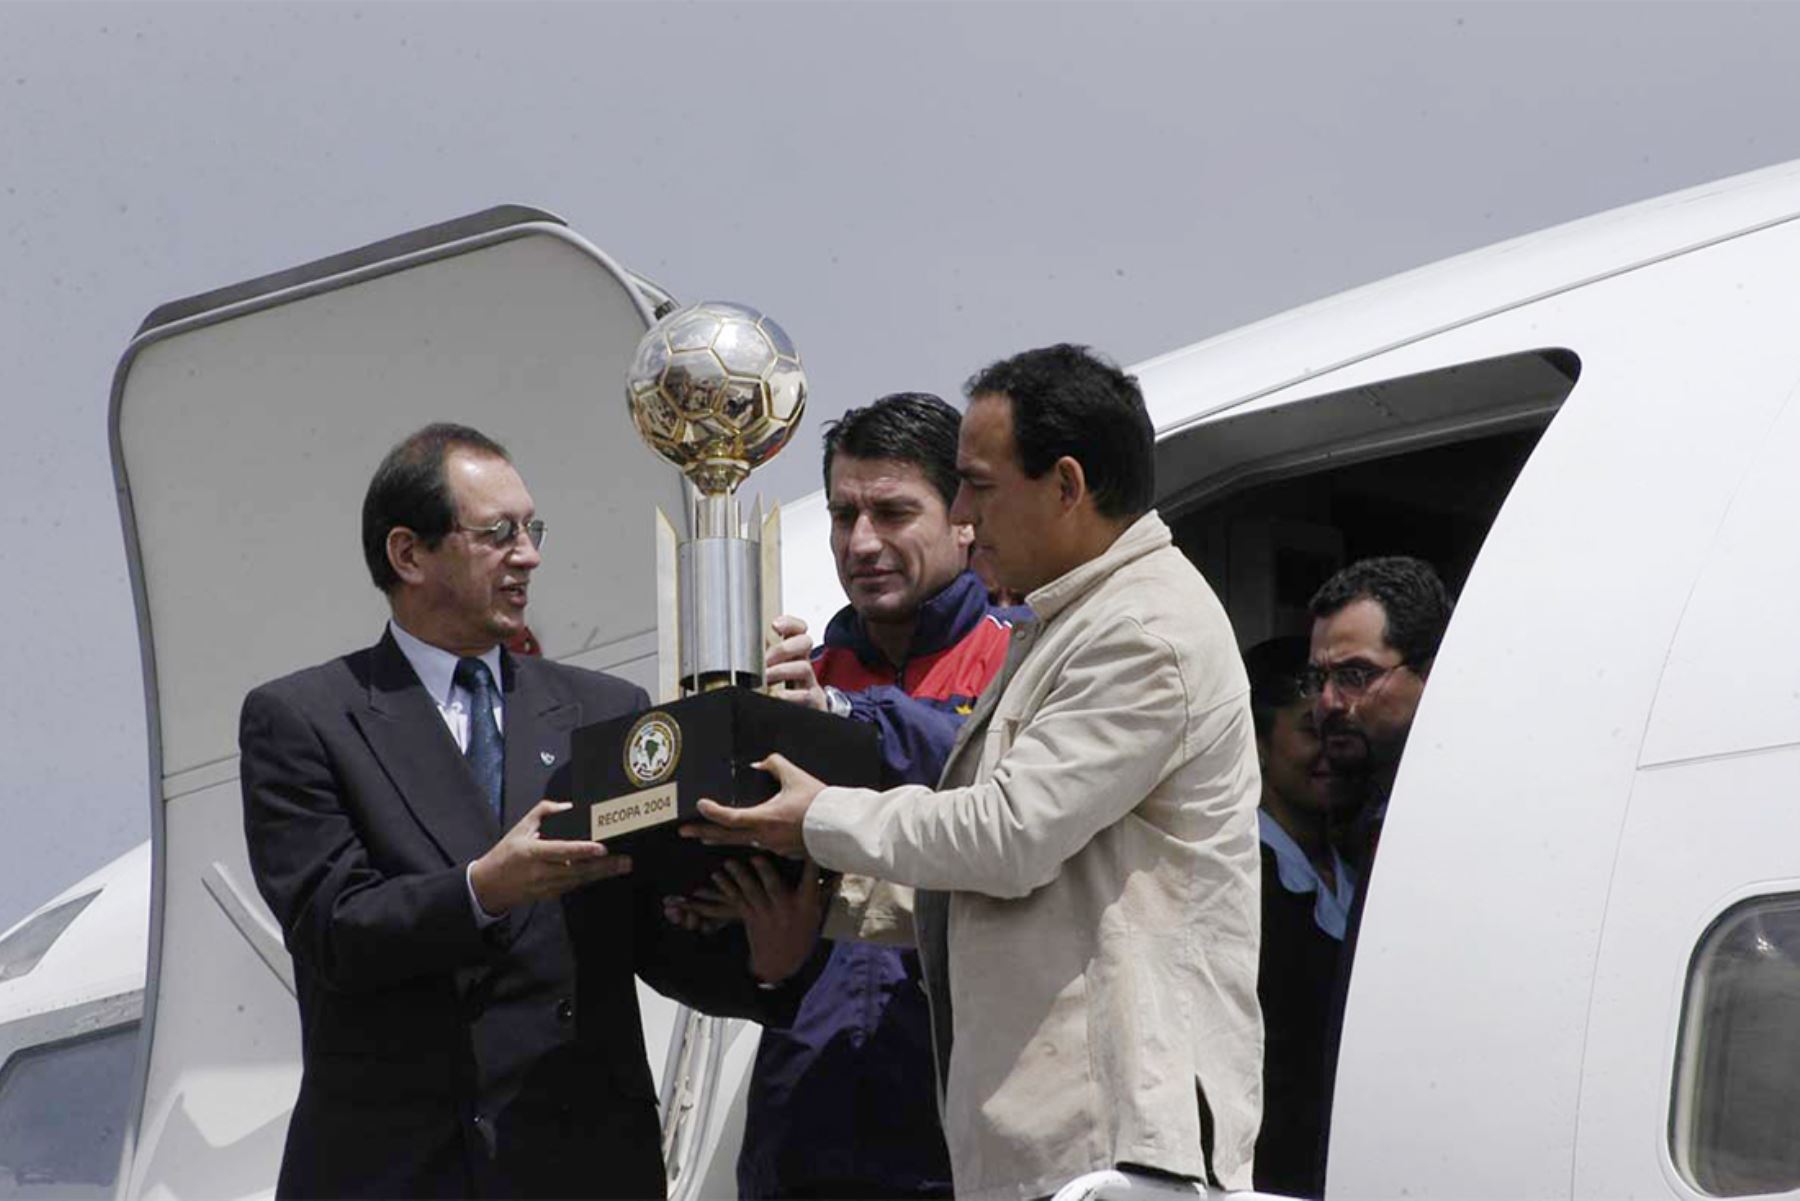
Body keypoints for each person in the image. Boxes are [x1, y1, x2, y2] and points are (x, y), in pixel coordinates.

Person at [686, 345, 1264, 1200]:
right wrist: (820, 902)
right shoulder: (1070, 621)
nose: (964, 512)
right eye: (847, 514)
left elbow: (1007, 836)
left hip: (1110, 1143)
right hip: (1028, 1140)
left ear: (1066, 485)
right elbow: (1019, 892)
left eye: (978, 486)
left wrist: (817, 818)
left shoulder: (1142, 630)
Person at [239, 423, 812, 1200]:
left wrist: (765, 962)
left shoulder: (604, 710)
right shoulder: (306, 718)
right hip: (406, 1168)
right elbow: (334, 928)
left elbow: (645, 929)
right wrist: (484, 886)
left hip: (579, 1160)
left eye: (532, 529)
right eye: (498, 533)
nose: (529, 554)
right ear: (409, 554)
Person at [705, 392, 1024, 1200]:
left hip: (962, 1142)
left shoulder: (1023, 663)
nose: (862, 541)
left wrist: (841, 720)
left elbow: (983, 775)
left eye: (892, 510)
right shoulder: (788, 681)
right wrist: (763, 967)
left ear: (962, 517)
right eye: (845, 513)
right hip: (798, 1137)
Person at [1243, 636, 1356, 1199]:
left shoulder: (1363, 866)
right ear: (1259, 745)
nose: (1328, 752)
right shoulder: (1243, 881)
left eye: (1336, 736)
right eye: (1310, 733)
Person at [1304, 556, 1452, 871]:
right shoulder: (1371, 819)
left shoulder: (1462, 818)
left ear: (1430, 674)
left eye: (1356, 675)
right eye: (1318, 679)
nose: (1329, 702)